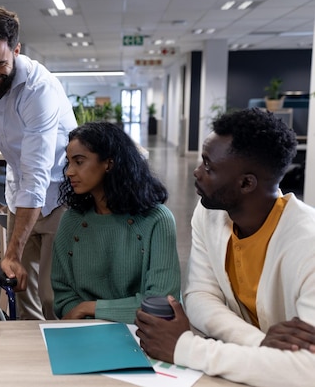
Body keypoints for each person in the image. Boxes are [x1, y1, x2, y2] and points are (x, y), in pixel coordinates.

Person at [135, 108, 315, 387]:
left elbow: (308, 369)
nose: (196, 172)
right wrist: (258, 341)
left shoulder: (309, 244)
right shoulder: (210, 213)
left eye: (208, 166)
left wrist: (185, 348)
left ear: (246, 183)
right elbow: (199, 295)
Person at [0, 6, 77, 320]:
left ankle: (60, 360)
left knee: (54, 296)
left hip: (62, 194)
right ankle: (31, 363)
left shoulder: (39, 88)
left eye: (0, 63)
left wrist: (10, 252)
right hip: (20, 194)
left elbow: (37, 172)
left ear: (16, 49)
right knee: (20, 289)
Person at [51, 121, 180, 324]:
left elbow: (162, 303)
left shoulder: (157, 220)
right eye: (68, 162)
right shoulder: (71, 220)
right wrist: (83, 316)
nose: (69, 172)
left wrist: (89, 308)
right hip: (83, 331)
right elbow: (63, 297)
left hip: (143, 335)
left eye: (79, 161)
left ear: (109, 163)